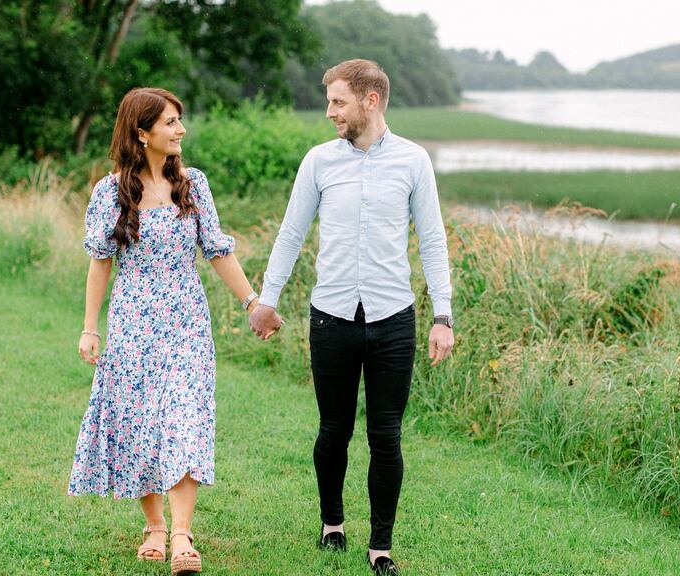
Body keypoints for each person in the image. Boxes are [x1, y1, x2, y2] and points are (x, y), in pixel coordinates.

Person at [249, 59, 455, 575]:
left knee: (386, 435)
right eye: (329, 101)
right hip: (332, 316)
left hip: (393, 319)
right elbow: (290, 234)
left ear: (371, 100)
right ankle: (332, 523)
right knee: (333, 429)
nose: (329, 112)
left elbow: (432, 239)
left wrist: (443, 316)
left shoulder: (414, 161)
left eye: (338, 102)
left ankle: (380, 545)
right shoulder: (318, 162)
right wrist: (266, 300)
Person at [69, 87, 268, 576]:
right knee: (139, 425)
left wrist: (252, 301)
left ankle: (182, 534)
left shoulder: (193, 184)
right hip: (134, 322)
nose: (181, 130)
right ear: (142, 133)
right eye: (171, 122)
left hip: (187, 321)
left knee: (184, 419)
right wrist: (90, 329)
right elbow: (100, 263)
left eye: (180, 121)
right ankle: (154, 525)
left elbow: (217, 251)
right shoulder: (110, 191)